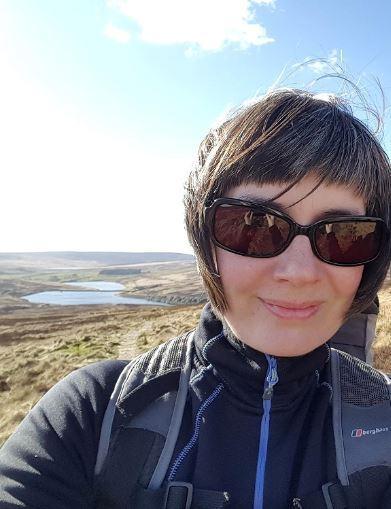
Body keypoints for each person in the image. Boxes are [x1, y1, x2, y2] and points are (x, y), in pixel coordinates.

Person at [0, 88, 390, 508]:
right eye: (252, 225)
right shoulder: (94, 411)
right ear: (205, 240)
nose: (296, 272)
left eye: (345, 236)